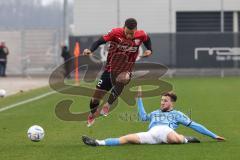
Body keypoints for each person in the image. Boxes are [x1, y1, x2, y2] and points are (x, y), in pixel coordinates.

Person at [82, 87, 225, 146]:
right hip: (151, 135)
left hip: (167, 131)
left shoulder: (177, 114)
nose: (162, 102)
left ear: (172, 103)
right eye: (162, 100)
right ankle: (98, 142)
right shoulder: (155, 113)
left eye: (165, 101)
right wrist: (139, 99)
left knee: (172, 138)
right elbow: (143, 117)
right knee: (126, 139)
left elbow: (196, 125)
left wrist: (214, 136)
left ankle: (186, 139)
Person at [83, 18, 153, 127]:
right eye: (127, 33)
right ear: (123, 28)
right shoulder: (115, 33)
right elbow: (99, 41)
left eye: (132, 33)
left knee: (123, 78)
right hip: (109, 69)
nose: (129, 36)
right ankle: (92, 114)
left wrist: (149, 50)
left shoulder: (141, 34)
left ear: (136, 30)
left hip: (126, 68)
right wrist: (90, 50)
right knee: (96, 98)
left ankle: (108, 105)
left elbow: (147, 40)